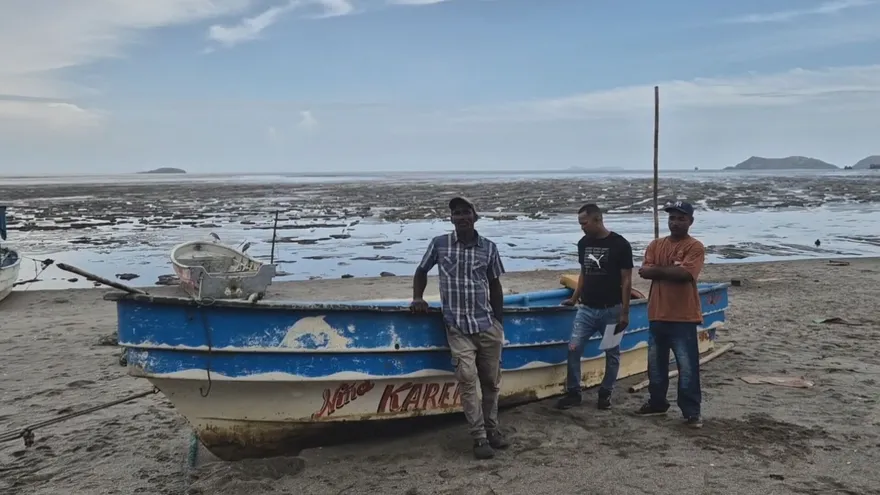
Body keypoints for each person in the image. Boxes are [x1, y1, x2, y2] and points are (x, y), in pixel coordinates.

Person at [410, 196, 509, 460]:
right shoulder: (440, 244)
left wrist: (498, 322)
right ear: (451, 219)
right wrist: (418, 298)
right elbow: (421, 271)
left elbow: (495, 286)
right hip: (457, 327)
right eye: (457, 213)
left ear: (475, 217)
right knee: (467, 381)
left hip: (487, 325)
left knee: (491, 383)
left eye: (467, 212)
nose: (462, 216)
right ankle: (479, 438)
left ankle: (493, 430)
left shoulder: (489, 247)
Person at [635, 200, 706, 428]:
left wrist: (659, 270)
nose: (675, 223)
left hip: (683, 316)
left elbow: (686, 274)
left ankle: (691, 411)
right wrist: (667, 270)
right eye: (672, 218)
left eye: (681, 218)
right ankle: (657, 402)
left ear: (691, 221)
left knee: (687, 366)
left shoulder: (695, 246)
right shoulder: (656, 244)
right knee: (655, 365)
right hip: (657, 313)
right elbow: (644, 271)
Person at [556, 203, 634, 410]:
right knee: (573, 348)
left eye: (584, 223)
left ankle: (605, 393)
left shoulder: (620, 244)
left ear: (598, 220)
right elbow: (584, 273)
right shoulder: (583, 243)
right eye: (580, 224)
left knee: (612, 352)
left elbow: (627, 280)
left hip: (612, 309)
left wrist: (625, 312)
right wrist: (574, 299)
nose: (582, 227)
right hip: (587, 309)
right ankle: (574, 392)